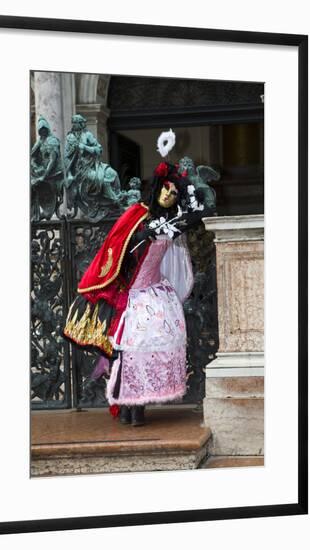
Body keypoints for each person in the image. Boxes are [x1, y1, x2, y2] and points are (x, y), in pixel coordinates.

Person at [64, 161, 207, 426]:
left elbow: (197, 215)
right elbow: (117, 248)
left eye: (174, 193)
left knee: (152, 343)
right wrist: (141, 236)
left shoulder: (173, 222)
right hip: (132, 293)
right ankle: (128, 407)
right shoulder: (136, 215)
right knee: (131, 346)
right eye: (165, 188)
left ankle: (138, 407)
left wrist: (188, 193)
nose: (168, 195)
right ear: (156, 188)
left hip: (156, 294)